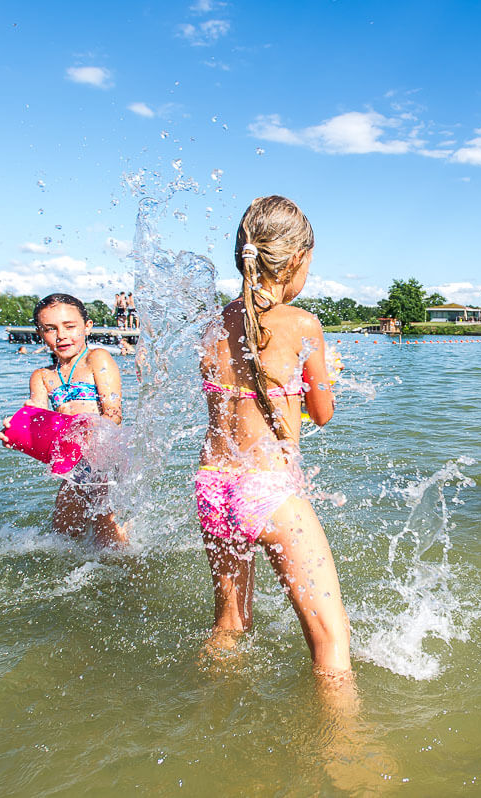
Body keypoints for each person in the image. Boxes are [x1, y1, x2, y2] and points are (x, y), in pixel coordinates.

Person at [195, 195, 350, 681]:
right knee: (330, 641)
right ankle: (344, 749)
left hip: (212, 486)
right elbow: (321, 414)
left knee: (230, 624)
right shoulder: (303, 324)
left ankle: (209, 719)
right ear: (298, 259)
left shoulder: (211, 323)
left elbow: (235, 396)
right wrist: (324, 378)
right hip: (266, 488)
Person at [1, 293, 127, 547]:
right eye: (50, 329)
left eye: (70, 327)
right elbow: (35, 414)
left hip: (104, 458)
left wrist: (90, 431)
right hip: (73, 464)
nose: (61, 335)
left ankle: (129, 575)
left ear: (87, 327)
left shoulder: (97, 359)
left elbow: (113, 413)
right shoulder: (43, 376)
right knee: (62, 535)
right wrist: (15, 430)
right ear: (39, 333)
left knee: (108, 536)